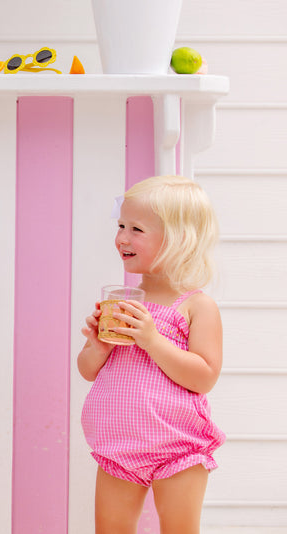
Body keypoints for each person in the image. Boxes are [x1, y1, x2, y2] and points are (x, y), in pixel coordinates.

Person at [78, 175, 226, 534]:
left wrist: (152, 340)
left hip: (178, 448)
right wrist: (98, 346)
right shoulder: (123, 303)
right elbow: (86, 370)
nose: (122, 238)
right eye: (121, 226)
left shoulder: (196, 306)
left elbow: (204, 376)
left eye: (136, 229)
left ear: (178, 240)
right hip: (119, 446)